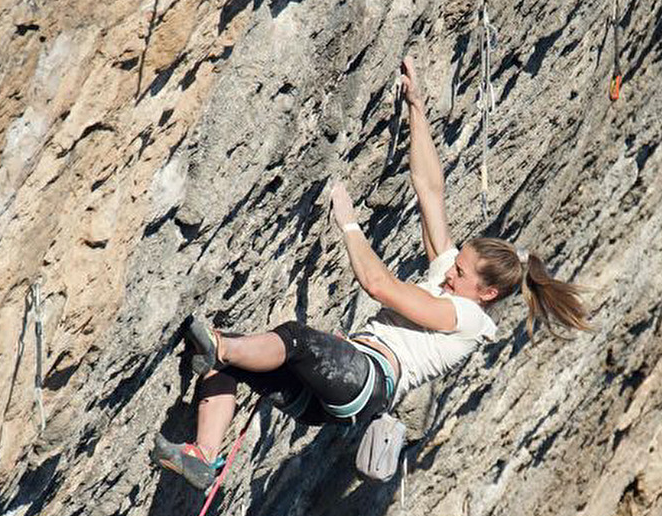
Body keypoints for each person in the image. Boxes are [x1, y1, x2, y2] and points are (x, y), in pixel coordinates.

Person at [153, 57, 589, 489]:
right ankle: (203, 457)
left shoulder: (468, 320)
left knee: (294, 340)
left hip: (366, 380)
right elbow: (430, 191)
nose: (448, 272)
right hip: (331, 395)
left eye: (460, 272)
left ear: (487, 293)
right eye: (454, 265)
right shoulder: (451, 283)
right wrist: (417, 107)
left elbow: (379, 285)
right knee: (226, 367)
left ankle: (220, 345)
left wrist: (349, 224)